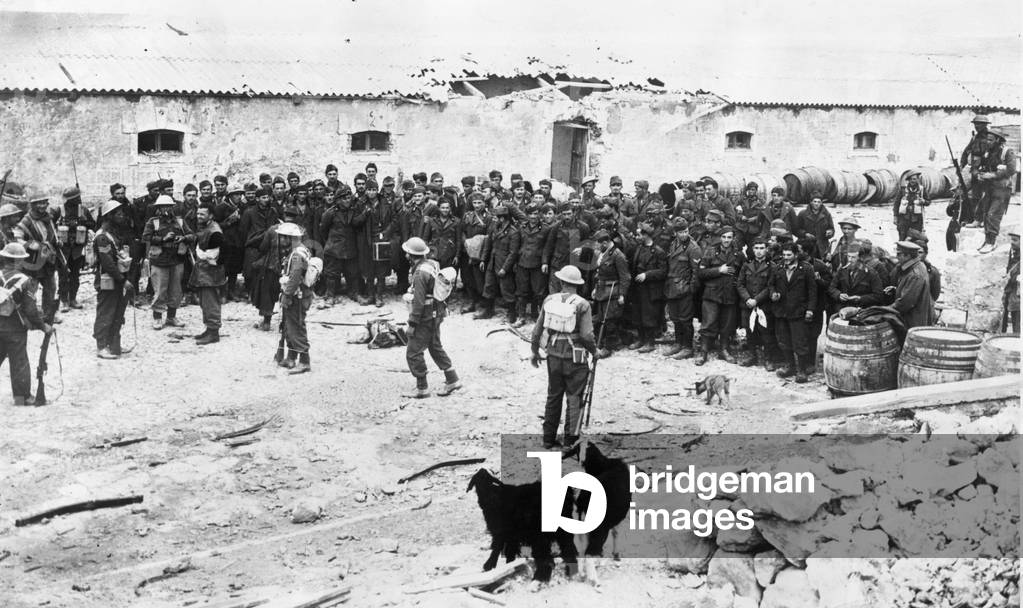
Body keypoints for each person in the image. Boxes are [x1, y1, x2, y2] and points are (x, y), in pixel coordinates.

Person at [530, 265, 596, 449]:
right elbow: (587, 335)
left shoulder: (550, 299)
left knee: (553, 395)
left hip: (553, 355)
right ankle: (570, 441)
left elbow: (537, 330)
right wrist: (595, 351)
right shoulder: (583, 304)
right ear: (578, 284)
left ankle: (548, 438)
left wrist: (534, 351)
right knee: (574, 397)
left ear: (561, 282)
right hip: (575, 358)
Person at [403, 236, 461, 398]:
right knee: (434, 346)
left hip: (425, 316)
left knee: (413, 352)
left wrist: (412, 324)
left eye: (407, 252)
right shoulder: (431, 265)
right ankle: (453, 380)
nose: (405, 255)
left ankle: (422, 388)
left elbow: (419, 301)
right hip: (436, 313)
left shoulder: (420, 274)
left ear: (410, 254)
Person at [0, 242, 54, 405]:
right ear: (18, 261)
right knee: (19, 362)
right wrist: (43, 326)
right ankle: (21, 398)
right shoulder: (24, 281)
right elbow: (30, 310)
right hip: (15, 329)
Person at [142, 195, 194, 330]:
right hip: (160, 260)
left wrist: (183, 238)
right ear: (158, 208)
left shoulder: (180, 222)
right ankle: (157, 318)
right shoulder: (153, 222)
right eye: (163, 207)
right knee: (160, 290)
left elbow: (192, 235)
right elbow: (146, 237)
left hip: (177, 259)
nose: (166, 209)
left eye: (169, 207)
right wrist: (162, 239)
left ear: (173, 207)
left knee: (176, 290)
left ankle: (171, 317)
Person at [696, 226, 745, 364]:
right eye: (724, 237)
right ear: (720, 237)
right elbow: (701, 273)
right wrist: (719, 270)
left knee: (727, 324)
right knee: (708, 323)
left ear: (733, 238)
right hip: (712, 293)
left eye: (729, 237)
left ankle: (723, 350)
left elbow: (743, 273)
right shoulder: (710, 252)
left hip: (730, 293)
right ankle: (703, 352)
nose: (726, 240)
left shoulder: (738, 255)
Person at [92, 199, 133, 359]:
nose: (122, 216)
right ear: (109, 216)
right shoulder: (103, 237)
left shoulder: (114, 233)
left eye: (122, 213)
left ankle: (114, 344)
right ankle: (101, 346)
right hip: (107, 280)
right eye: (118, 214)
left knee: (118, 312)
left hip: (117, 277)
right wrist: (123, 280)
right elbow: (107, 263)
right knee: (106, 312)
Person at [770, 242, 816, 383]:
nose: (786, 257)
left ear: (796, 255)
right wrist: (773, 293)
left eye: (789, 255)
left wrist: (810, 309)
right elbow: (771, 284)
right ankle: (790, 366)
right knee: (784, 341)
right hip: (782, 312)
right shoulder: (778, 268)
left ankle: (801, 370)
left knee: (799, 342)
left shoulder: (806, 269)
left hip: (799, 312)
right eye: (784, 255)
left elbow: (812, 291)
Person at [16, 197, 63, 324]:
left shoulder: (48, 218)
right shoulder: (27, 220)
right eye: (39, 203)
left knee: (50, 287)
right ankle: (28, 316)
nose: (43, 206)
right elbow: (17, 238)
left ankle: (48, 315)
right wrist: (30, 245)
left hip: (47, 260)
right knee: (31, 290)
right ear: (33, 205)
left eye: (44, 203)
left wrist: (57, 241)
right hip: (32, 261)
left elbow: (52, 233)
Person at [974, 128, 1018, 254]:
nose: (987, 142)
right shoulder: (988, 152)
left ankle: (991, 242)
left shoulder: (1007, 152)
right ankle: (987, 240)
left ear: (998, 140)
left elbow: (1011, 170)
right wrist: (979, 174)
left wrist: (992, 175)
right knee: (985, 213)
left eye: (990, 140)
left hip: (1002, 189)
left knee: (993, 215)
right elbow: (980, 166)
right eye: (987, 139)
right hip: (989, 188)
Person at [277, 222, 314, 374]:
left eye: (282, 238)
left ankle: (305, 361)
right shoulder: (300, 250)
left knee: (296, 327)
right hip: (299, 295)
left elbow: (294, 277)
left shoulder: (297, 255)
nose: (280, 241)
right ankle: (291, 357)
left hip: (296, 297)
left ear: (289, 238)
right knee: (289, 326)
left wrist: (286, 295)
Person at [662, 218, 701, 359]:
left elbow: (696, 272)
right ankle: (678, 343)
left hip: (685, 289)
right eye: (680, 232)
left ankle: (687, 347)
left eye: (685, 231)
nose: (684, 234)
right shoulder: (674, 243)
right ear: (675, 233)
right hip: (672, 287)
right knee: (675, 317)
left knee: (685, 319)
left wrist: (691, 289)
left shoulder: (693, 248)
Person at [53, 187, 96, 313]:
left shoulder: (83, 210)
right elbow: (49, 224)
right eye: (75, 198)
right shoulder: (59, 210)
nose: (78, 199)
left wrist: (84, 222)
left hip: (77, 248)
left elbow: (93, 224)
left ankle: (73, 299)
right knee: (63, 275)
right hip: (63, 249)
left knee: (75, 275)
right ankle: (64, 301)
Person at [357, 179, 398, 307]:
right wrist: (365, 213)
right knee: (369, 270)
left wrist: (385, 233)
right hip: (367, 240)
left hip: (382, 240)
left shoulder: (385, 203)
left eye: (374, 189)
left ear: (377, 190)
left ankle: (379, 296)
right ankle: (370, 296)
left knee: (381, 269)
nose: (371, 192)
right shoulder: (361, 204)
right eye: (369, 190)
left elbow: (394, 220)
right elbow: (355, 222)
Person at [737, 237, 776, 369]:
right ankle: (752, 356)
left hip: (763, 306)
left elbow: (770, 286)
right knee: (750, 331)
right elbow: (740, 284)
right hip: (747, 305)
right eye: (756, 248)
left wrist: (756, 300)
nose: (759, 251)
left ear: (766, 250)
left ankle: (768, 359)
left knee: (766, 332)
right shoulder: (746, 265)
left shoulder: (772, 267)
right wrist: (747, 299)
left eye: (762, 248)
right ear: (752, 250)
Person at [628, 222, 667, 353]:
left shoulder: (658, 252)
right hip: (638, 288)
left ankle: (650, 342)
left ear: (646, 235)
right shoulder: (639, 248)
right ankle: (641, 339)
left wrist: (647, 275)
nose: (637, 236)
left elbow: (663, 271)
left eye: (639, 234)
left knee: (649, 316)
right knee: (637, 314)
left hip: (651, 290)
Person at [475, 206, 519, 321]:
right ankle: (488, 311)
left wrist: (505, 268)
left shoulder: (513, 232)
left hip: (504, 264)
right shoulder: (494, 228)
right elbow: (488, 245)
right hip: (492, 262)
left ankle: (512, 313)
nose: (494, 219)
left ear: (503, 218)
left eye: (496, 217)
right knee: (489, 286)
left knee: (507, 289)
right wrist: (483, 260)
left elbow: (513, 253)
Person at [190, 204, 226, 345]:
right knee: (205, 302)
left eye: (202, 214)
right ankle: (209, 328)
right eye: (198, 214)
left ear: (210, 216)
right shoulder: (206, 227)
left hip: (210, 274)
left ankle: (213, 332)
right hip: (204, 272)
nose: (199, 217)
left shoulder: (215, 232)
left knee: (211, 302)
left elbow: (213, 255)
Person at [591, 230, 630, 358]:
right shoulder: (603, 253)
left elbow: (625, 277)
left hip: (613, 292)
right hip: (602, 290)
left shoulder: (618, 256)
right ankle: (601, 342)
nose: (596, 247)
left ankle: (609, 347)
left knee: (610, 321)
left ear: (605, 242)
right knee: (601, 318)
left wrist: (622, 295)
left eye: (598, 244)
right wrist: (595, 289)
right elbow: (599, 273)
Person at [513, 203, 550, 326]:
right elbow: (516, 245)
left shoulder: (545, 229)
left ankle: (536, 315)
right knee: (521, 291)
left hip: (537, 264)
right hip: (522, 263)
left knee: (538, 291)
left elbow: (547, 248)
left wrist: (544, 262)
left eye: (535, 214)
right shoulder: (521, 227)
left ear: (539, 214)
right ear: (527, 215)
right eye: (531, 214)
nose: (533, 216)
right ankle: (521, 316)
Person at [889, 241, 935, 330]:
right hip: (915, 318)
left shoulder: (915, 274)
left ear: (908, 256)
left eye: (899, 254)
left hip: (912, 322)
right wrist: (896, 289)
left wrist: (885, 309)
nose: (896, 257)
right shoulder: (918, 266)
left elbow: (905, 303)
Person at [458, 193, 490, 313]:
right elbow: (462, 231)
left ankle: (484, 305)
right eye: (474, 203)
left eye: (479, 203)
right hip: (467, 252)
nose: (477, 205)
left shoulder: (488, 217)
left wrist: (482, 255)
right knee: (468, 278)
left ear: (484, 203)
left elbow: (489, 236)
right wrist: (466, 243)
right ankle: (472, 302)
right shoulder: (467, 216)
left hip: (480, 253)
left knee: (480, 280)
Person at [828, 241, 884, 309]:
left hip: (862, 310)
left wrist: (860, 298)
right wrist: (839, 295)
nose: (850, 260)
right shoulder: (842, 270)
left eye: (853, 257)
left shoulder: (871, 273)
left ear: (861, 258)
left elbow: (878, 295)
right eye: (848, 256)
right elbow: (831, 288)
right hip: (843, 309)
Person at [214, 183, 246, 301]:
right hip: (225, 243)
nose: (238, 197)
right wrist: (229, 222)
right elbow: (214, 225)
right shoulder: (221, 207)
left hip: (238, 243)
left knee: (234, 269)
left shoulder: (242, 207)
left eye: (240, 194)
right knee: (223, 268)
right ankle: (222, 293)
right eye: (236, 194)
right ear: (230, 196)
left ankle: (231, 291)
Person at [959, 114, 992, 227]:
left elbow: (993, 156)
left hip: (986, 172)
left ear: (984, 125)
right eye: (975, 124)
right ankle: (973, 219)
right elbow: (966, 152)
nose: (976, 126)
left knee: (987, 197)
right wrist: (961, 165)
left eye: (979, 124)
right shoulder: (974, 138)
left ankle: (984, 220)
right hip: (974, 171)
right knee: (974, 196)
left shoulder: (990, 138)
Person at [795, 191, 834, 259]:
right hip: (806, 246)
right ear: (810, 202)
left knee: (821, 265)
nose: (816, 204)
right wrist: (805, 234)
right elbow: (796, 230)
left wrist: (830, 232)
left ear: (821, 203)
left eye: (819, 202)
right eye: (815, 201)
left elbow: (831, 228)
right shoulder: (803, 214)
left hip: (822, 246)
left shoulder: (827, 215)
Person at [892, 173, 928, 242]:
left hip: (917, 220)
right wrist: (895, 216)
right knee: (902, 239)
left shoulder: (922, 190)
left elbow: (928, 201)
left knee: (915, 239)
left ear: (917, 179)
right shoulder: (903, 190)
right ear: (908, 180)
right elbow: (896, 203)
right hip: (903, 219)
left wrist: (924, 201)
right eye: (910, 179)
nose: (912, 181)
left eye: (914, 179)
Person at [1004, 229, 1020, 333]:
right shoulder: (1013, 252)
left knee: (1018, 322)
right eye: (1011, 240)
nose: (1012, 242)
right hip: (1011, 290)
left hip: (1018, 293)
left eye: (1015, 240)